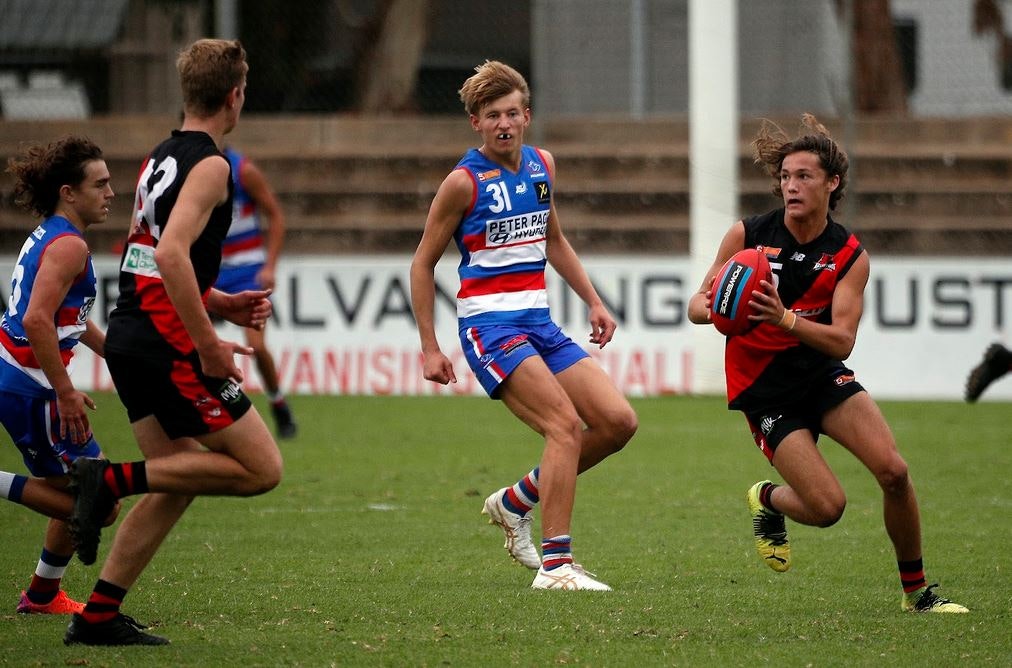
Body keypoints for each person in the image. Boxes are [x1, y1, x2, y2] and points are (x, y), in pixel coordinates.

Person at [687, 114, 967, 613]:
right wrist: (723, 308)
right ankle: (768, 498)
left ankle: (918, 594)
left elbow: (841, 341)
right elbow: (696, 307)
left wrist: (784, 318)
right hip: (766, 390)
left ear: (831, 183)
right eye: (786, 177)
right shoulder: (748, 237)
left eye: (804, 177)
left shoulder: (849, 254)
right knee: (827, 508)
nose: (791, 187)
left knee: (895, 472)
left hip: (821, 375)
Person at [63, 38, 283, 646]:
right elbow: (168, 253)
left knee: (176, 478)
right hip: (168, 344)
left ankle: (98, 615)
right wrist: (209, 339)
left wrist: (219, 301)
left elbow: (146, 261)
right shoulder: (213, 164)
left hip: (135, 333)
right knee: (262, 469)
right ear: (236, 96)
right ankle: (106, 482)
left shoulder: (162, 156)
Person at [409, 60, 637, 591]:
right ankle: (556, 567)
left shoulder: (541, 165)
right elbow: (422, 263)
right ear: (476, 123)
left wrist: (594, 301)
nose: (504, 123)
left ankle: (515, 503)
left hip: (539, 322)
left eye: (512, 112)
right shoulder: (462, 183)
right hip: (490, 327)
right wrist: (430, 346)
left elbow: (552, 239)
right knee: (562, 426)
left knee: (617, 422)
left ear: (527, 115)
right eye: (493, 116)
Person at [0, 136, 121, 615]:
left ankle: (43, 595)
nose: (111, 193)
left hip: (20, 381)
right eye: (101, 184)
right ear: (69, 192)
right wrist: (67, 394)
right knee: (99, 501)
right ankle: (42, 594)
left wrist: (113, 353)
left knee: (89, 491)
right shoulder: (69, 245)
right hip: (35, 390)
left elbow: (66, 315)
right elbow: (35, 320)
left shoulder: (53, 233)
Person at [215, 146, 297, 437]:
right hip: (209, 273)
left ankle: (279, 405)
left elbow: (276, 216)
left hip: (248, 271)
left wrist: (270, 265)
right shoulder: (189, 170)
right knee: (187, 344)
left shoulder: (243, 170)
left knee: (257, 346)